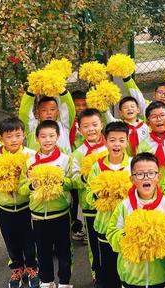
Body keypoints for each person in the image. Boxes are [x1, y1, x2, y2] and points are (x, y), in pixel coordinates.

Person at [106, 153, 165, 288]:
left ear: (158, 177)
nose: (146, 178)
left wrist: (158, 239)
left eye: (151, 173)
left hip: (160, 276)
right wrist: (131, 238)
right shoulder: (124, 206)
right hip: (131, 276)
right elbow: (111, 233)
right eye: (140, 174)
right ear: (132, 179)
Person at [21, 120, 73, 288]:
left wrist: (59, 181)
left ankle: (64, 281)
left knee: (64, 250)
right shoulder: (29, 162)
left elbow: (73, 183)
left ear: (58, 137)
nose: (47, 140)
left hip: (61, 213)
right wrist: (32, 185)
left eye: (51, 136)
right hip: (38, 216)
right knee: (43, 252)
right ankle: (46, 280)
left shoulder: (65, 159)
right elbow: (22, 188)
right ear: (37, 139)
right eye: (43, 136)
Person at [0, 117, 39, 288]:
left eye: (17, 135)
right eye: (9, 136)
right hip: (5, 208)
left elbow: (34, 182)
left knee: (29, 239)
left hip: (26, 207)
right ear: (1, 139)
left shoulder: (31, 155)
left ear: (23, 136)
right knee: (10, 241)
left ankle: (32, 267)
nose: (14, 140)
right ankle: (17, 269)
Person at [88, 121, 131, 288]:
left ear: (127, 141)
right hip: (104, 225)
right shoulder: (97, 167)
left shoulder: (132, 165)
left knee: (127, 266)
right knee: (107, 267)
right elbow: (89, 197)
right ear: (105, 141)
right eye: (112, 140)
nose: (117, 144)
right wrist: (100, 194)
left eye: (121, 140)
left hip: (127, 227)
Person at [69, 108, 106, 286]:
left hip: (113, 205)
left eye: (94, 125)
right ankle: (96, 274)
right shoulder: (78, 153)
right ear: (79, 129)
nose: (91, 129)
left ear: (101, 125)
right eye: (86, 126)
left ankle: (115, 272)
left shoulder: (111, 146)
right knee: (94, 242)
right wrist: (85, 177)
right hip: (90, 206)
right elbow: (73, 179)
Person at [19, 90, 75, 154]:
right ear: (37, 113)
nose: (49, 113)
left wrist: (63, 91)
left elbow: (68, 108)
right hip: (37, 163)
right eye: (44, 110)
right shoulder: (32, 128)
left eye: (52, 109)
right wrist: (30, 92)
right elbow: (24, 114)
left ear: (57, 112)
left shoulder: (64, 126)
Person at [68, 90, 86, 241]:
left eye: (83, 105)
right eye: (77, 105)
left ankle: (86, 227)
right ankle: (75, 226)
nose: (80, 108)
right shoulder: (67, 123)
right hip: (72, 166)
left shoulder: (88, 123)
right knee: (74, 200)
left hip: (86, 163)